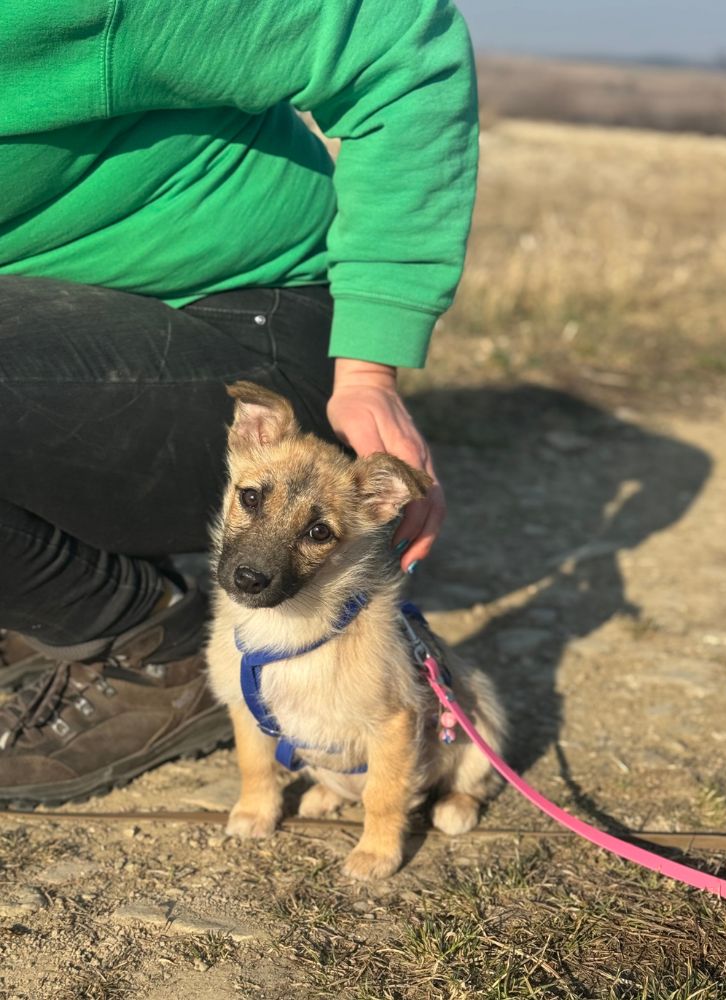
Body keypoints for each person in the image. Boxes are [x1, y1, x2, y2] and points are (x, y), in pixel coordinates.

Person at [0, 0, 478, 805]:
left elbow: (400, 42)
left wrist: (368, 371)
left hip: (253, 333)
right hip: (75, 324)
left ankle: (150, 641)